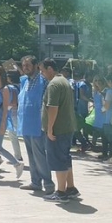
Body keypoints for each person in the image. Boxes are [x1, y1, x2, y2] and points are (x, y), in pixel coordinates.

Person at [40, 59, 80, 203]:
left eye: (43, 71)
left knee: (58, 160)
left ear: (50, 69)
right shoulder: (64, 81)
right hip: (67, 128)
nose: (42, 74)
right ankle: (71, 188)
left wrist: (50, 129)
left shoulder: (54, 84)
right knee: (65, 158)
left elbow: (53, 108)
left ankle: (61, 192)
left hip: (58, 130)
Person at [17, 55, 54, 194]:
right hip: (26, 123)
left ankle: (49, 185)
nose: (25, 67)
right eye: (23, 65)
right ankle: (35, 182)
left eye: (28, 65)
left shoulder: (43, 81)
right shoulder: (25, 81)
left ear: (36, 66)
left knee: (40, 156)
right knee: (31, 155)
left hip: (38, 124)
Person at [0, 66, 24, 179]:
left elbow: (6, 108)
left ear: (1, 75)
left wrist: (3, 124)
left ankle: (16, 163)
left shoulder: (5, 89)